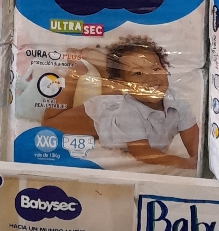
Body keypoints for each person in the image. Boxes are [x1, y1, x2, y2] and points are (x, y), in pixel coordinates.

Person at [42, 35, 198, 168]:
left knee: (125, 92)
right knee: (48, 125)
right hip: (102, 119)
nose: (151, 77)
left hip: (124, 99)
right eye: (138, 73)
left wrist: (198, 160)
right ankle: (75, 72)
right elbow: (143, 153)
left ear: (166, 69)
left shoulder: (177, 102)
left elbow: (196, 144)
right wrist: (183, 163)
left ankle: (103, 67)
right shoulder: (127, 114)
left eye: (156, 69)